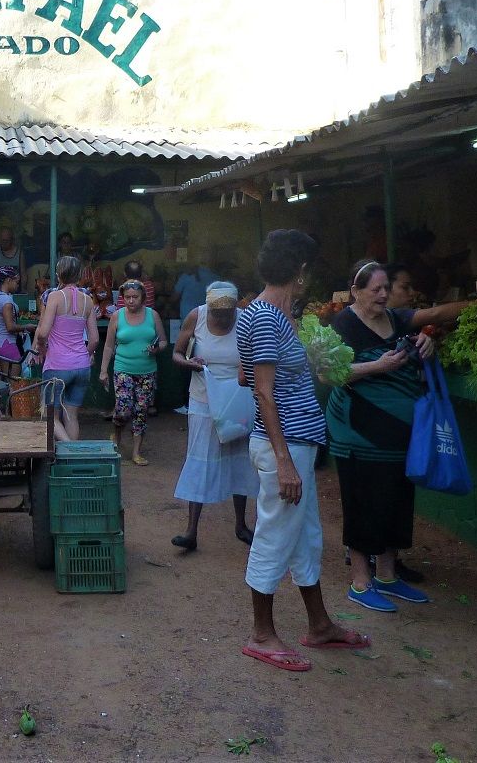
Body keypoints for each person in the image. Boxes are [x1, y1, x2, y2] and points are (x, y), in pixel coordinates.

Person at [236, 229, 370, 673]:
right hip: (285, 446)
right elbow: (263, 391)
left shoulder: (269, 315)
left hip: (296, 443)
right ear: (299, 271)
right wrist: (283, 460)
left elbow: (245, 375)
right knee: (274, 535)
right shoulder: (267, 318)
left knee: (306, 538)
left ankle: (319, 625)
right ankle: (261, 634)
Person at [327, 259, 453, 612]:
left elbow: (430, 327)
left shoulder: (396, 320)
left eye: (386, 288)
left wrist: (426, 345)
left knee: (396, 501)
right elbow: (330, 374)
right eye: (375, 289)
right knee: (363, 501)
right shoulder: (344, 323)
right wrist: (376, 366)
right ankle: (360, 581)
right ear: (356, 291)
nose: (383, 295)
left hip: (400, 435)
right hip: (358, 432)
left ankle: (387, 576)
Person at [171, 281, 256, 551]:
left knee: (239, 459)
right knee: (199, 459)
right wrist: (190, 363)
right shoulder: (196, 316)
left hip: (236, 402)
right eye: (216, 313)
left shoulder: (245, 319)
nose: (221, 318)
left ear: (234, 307)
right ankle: (191, 530)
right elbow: (176, 353)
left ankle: (241, 524)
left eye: (227, 313)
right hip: (203, 400)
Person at [28, 255, 100, 443]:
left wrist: (41, 349)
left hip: (57, 366)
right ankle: (72, 458)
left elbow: (43, 333)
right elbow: (94, 339)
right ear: (79, 275)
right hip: (82, 367)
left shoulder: (54, 297)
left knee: (49, 415)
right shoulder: (88, 300)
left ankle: (70, 449)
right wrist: (88, 354)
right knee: (72, 416)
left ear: (59, 274)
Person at [100, 279, 166, 466]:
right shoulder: (117, 316)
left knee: (141, 410)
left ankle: (136, 451)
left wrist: (157, 349)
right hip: (123, 369)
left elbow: (163, 341)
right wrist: (103, 370)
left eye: (135, 297)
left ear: (143, 297)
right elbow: (109, 345)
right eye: (127, 297)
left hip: (147, 371)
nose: (131, 300)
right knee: (123, 408)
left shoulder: (153, 316)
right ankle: (117, 433)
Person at [0, 266, 25, 362]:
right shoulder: (6, 300)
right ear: (8, 280)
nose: (18, 286)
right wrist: (26, 327)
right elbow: (10, 327)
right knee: (14, 376)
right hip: (6, 342)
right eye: (17, 282)